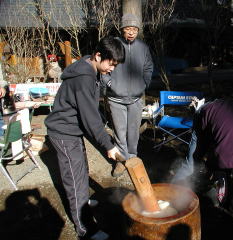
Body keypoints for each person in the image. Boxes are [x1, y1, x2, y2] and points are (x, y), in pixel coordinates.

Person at [45, 37, 125, 240]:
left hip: (72, 130)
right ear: (98, 56)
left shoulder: (88, 67)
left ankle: (82, 202)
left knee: (81, 169)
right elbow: (90, 118)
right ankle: (85, 228)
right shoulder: (84, 78)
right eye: (111, 64)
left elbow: (89, 113)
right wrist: (108, 145)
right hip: (64, 133)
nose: (112, 69)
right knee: (75, 178)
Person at [102, 13, 154, 177]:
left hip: (136, 99)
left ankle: (133, 158)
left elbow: (148, 68)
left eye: (134, 29)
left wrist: (144, 84)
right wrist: (110, 84)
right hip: (116, 99)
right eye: (127, 29)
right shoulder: (113, 45)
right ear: (122, 29)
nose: (131, 32)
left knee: (133, 131)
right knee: (119, 131)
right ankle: (121, 161)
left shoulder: (143, 48)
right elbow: (103, 68)